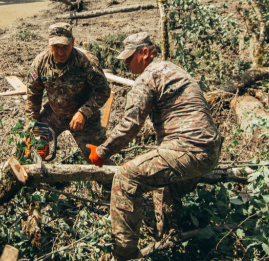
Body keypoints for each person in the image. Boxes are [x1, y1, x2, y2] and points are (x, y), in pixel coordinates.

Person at [87, 32, 221, 260]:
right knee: (166, 185)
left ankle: (125, 254)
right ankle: (169, 240)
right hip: (210, 151)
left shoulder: (149, 76)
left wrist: (101, 152)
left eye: (130, 58)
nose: (127, 63)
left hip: (187, 149)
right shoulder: (174, 70)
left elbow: (130, 125)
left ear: (145, 52)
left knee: (126, 176)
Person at [25, 23, 111, 161]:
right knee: (32, 149)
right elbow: (33, 96)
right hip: (53, 115)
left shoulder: (86, 62)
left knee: (97, 158)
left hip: (84, 119)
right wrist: (31, 124)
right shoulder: (40, 63)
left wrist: (84, 112)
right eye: (56, 47)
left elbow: (103, 91)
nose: (60, 52)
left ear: (73, 42)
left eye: (65, 47)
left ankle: (111, 180)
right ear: (48, 44)